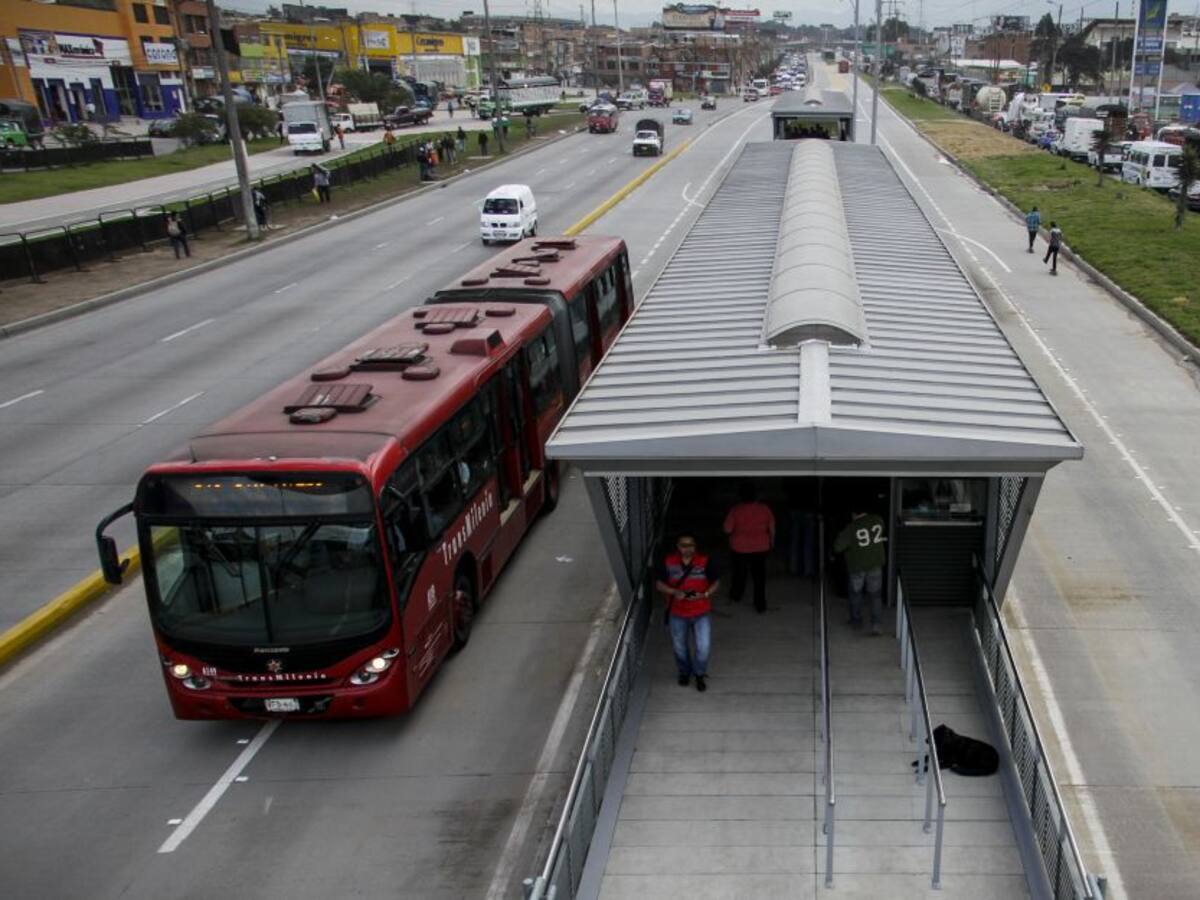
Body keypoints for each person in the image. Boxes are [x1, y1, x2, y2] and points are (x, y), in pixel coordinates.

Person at [655, 533, 720, 692]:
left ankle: (699, 674)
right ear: (678, 547)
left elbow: (716, 582)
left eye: (690, 545)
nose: (687, 548)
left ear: (694, 546)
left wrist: (705, 594)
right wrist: (674, 592)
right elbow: (658, 584)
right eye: (684, 545)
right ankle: (684, 672)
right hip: (678, 613)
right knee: (679, 647)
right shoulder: (668, 562)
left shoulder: (705, 562)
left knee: (703, 647)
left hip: (701, 611)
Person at [832, 507, 887, 634]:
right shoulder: (878, 520)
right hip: (875, 563)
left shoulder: (851, 528)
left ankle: (856, 621)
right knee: (876, 595)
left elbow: (837, 547)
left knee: (855, 594)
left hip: (857, 566)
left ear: (853, 514)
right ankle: (876, 624)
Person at [723, 481, 775, 613]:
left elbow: (727, 529)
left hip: (739, 548)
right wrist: (771, 542)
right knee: (759, 577)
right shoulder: (764, 509)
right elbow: (772, 528)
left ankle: (736, 596)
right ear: (756, 495)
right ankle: (760, 605)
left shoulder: (735, 510)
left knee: (739, 574)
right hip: (761, 548)